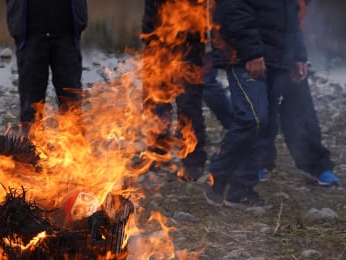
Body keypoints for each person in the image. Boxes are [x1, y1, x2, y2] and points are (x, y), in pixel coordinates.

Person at [203, 0, 339, 187]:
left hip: (282, 52)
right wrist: (251, 52)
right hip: (248, 53)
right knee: (259, 115)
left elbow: (292, 14)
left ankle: (316, 165)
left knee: (299, 107)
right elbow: (235, 11)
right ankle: (253, 165)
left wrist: (299, 55)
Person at [141, 0, 207, 182]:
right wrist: (149, 37)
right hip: (156, 40)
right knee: (155, 103)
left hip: (189, 42)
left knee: (189, 103)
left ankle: (193, 161)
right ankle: (157, 156)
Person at [5, 0, 87, 134]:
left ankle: (76, 150)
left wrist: (80, 20)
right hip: (29, 35)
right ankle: (30, 149)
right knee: (30, 102)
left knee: (71, 99)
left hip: (67, 34)